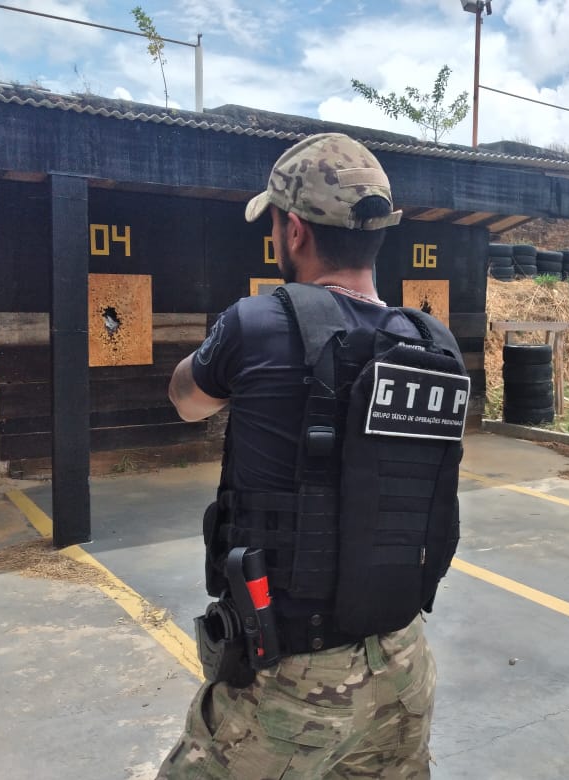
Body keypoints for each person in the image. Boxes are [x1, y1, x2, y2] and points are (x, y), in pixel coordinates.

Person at [159, 132, 465, 779]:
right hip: (405, 664)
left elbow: (185, 399)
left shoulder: (256, 324)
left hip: (293, 683)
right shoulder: (435, 347)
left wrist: (222, 353)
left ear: (294, 231)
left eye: (274, 223)